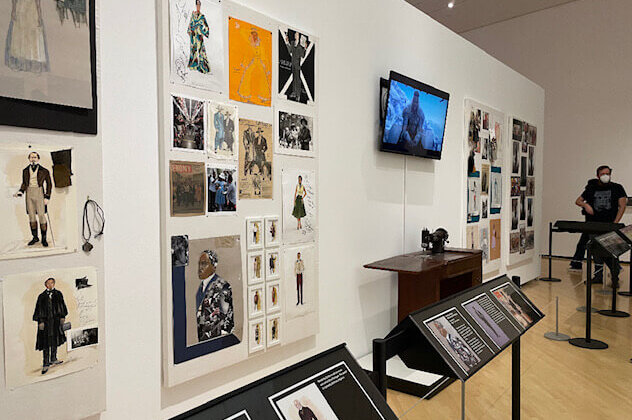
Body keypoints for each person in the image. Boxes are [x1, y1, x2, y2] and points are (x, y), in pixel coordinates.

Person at [569, 166, 627, 279]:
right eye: (602, 174)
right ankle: (598, 275)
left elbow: (622, 206)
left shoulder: (617, 188)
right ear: (597, 176)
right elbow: (578, 200)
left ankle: (615, 271)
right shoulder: (591, 188)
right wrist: (586, 205)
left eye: (607, 173)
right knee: (595, 250)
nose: (605, 176)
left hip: (609, 224)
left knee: (610, 249)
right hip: (593, 224)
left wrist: (615, 223)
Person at [14, 152, 53, 247]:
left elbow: (49, 184)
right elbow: (24, 183)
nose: (33, 159)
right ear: (29, 159)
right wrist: (21, 191)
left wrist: (47, 196)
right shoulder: (25, 170)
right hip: (29, 193)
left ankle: (44, 239)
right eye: (31, 157)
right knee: (31, 216)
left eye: (35, 157)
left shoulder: (44, 171)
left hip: (39, 192)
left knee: (41, 216)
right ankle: (35, 237)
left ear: (38, 159)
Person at [196, 250, 234, 342]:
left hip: (217, 342)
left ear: (214, 266)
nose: (200, 267)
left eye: (204, 264)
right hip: (203, 340)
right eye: (200, 263)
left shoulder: (222, 286)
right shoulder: (201, 287)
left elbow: (226, 320)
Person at [33, 277, 67, 374]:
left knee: (55, 340)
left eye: (52, 283)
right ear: (45, 285)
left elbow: (62, 305)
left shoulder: (58, 294)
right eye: (48, 283)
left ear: (54, 284)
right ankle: (46, 363)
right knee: (46, 343)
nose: (50, 285)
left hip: (56, 322)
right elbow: (38, 310)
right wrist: (40, 322)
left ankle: (53, 358)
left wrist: (62, 317)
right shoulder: (41, 296)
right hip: (46, 323)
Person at [6, 0, 50, 73]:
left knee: (31, 36)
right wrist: (13, 9)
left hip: (31, 10)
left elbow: (38, 2)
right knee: (21, 35)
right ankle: (21, 63)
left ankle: (30, 64)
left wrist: (39, 15)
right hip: (21, 9)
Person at [282, 31, 306, 101]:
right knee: (294, 78)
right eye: (295, 34)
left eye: (297, 35)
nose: (296, 35)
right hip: (293, 64)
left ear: (299, 36)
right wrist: (287, 42)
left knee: (297, 79)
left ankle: (298, 95)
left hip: (297, 65)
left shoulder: (300, 45)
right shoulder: (292, 43)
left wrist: (305, 48)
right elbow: (290, 50)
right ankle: (294, 92)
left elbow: (303, 55)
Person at [187, 0, 210, 74]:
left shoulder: (202, 16)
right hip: (193, 35)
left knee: (201, 50)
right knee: (193, 50)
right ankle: (193, 65)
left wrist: (203, 32)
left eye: (199, 5)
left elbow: (206, 26)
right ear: (195, 5)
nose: (198, 6)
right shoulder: (193, 15)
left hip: (199, 36)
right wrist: (190, 31)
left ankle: (202, 67)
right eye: (197, 4)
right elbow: (190, 25)